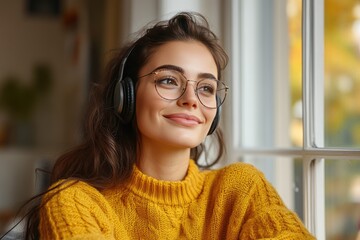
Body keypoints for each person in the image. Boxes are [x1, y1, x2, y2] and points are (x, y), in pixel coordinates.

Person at [24, 12, 315, 239]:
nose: (191, 99)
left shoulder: (241, 189)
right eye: (168, 80)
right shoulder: (74, 201)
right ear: (125, 95)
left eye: (206, 88)